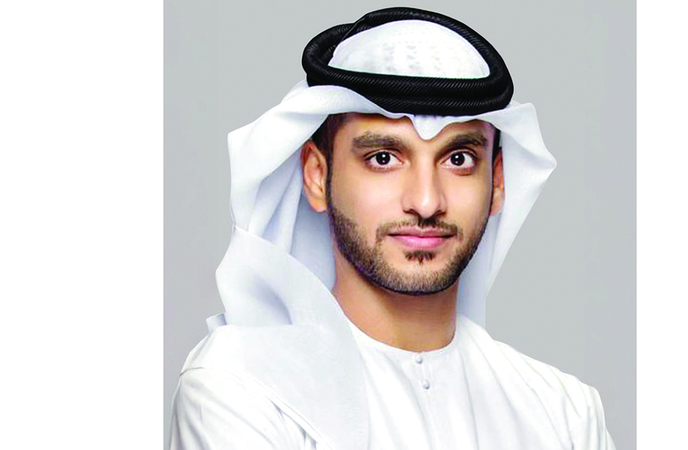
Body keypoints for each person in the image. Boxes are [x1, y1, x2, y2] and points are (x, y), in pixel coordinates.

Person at [170, 7, 615, 450]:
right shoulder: (242, 391)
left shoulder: (563, 412)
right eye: (383, 158)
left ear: (497, 182)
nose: (426, 201)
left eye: (458, 159)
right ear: (317, 176)